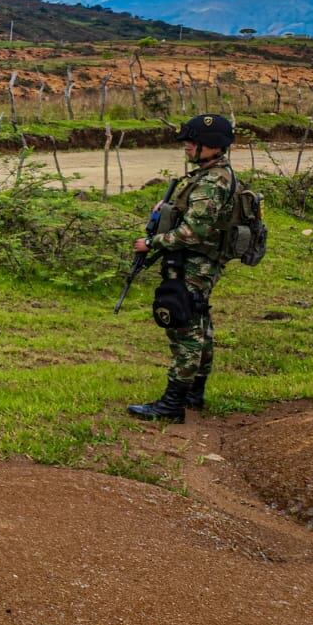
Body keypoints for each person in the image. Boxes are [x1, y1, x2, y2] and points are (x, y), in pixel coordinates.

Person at [128, 115, 238, 422]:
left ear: (212, 145)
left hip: (195, 263)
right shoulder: (209, 175)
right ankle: (193, 393)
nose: (187, 146)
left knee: (184, 326)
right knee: (200, 323)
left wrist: (151, 243)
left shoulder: (212, 181)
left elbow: (193, 233)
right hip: (199, 262)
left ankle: (172, 404)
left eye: (193, 141)